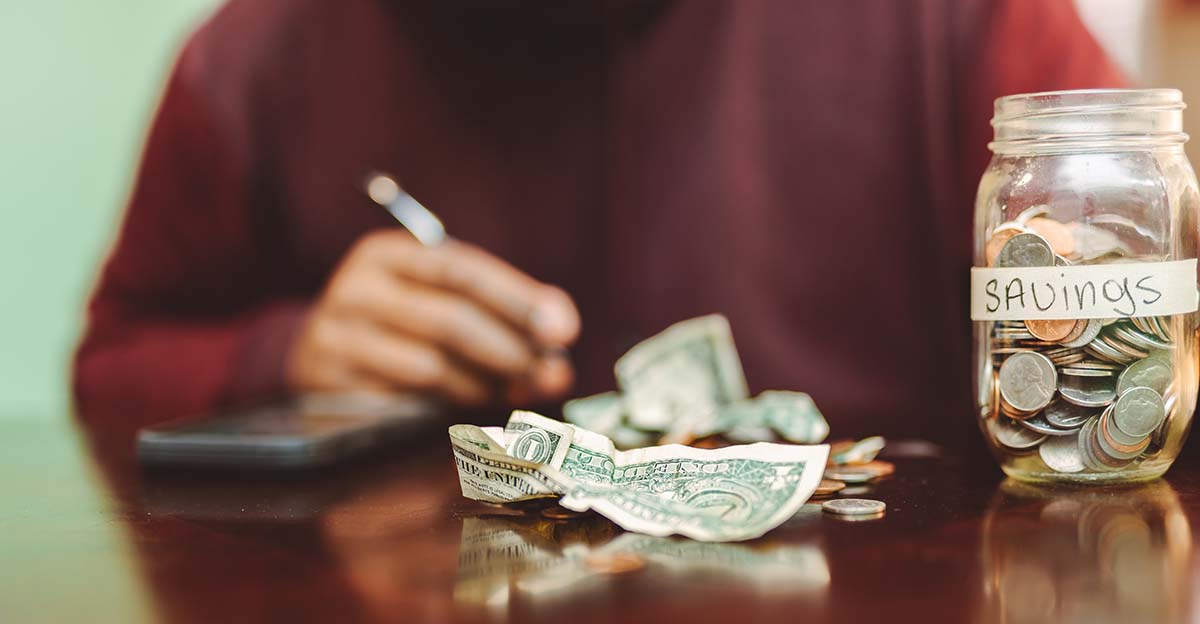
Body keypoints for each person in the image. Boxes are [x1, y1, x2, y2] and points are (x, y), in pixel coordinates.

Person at [73, 0, 1124, 441]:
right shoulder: (261, 57)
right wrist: (286, 359)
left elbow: (1161, 321)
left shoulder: (962, 24)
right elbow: (112, 369)